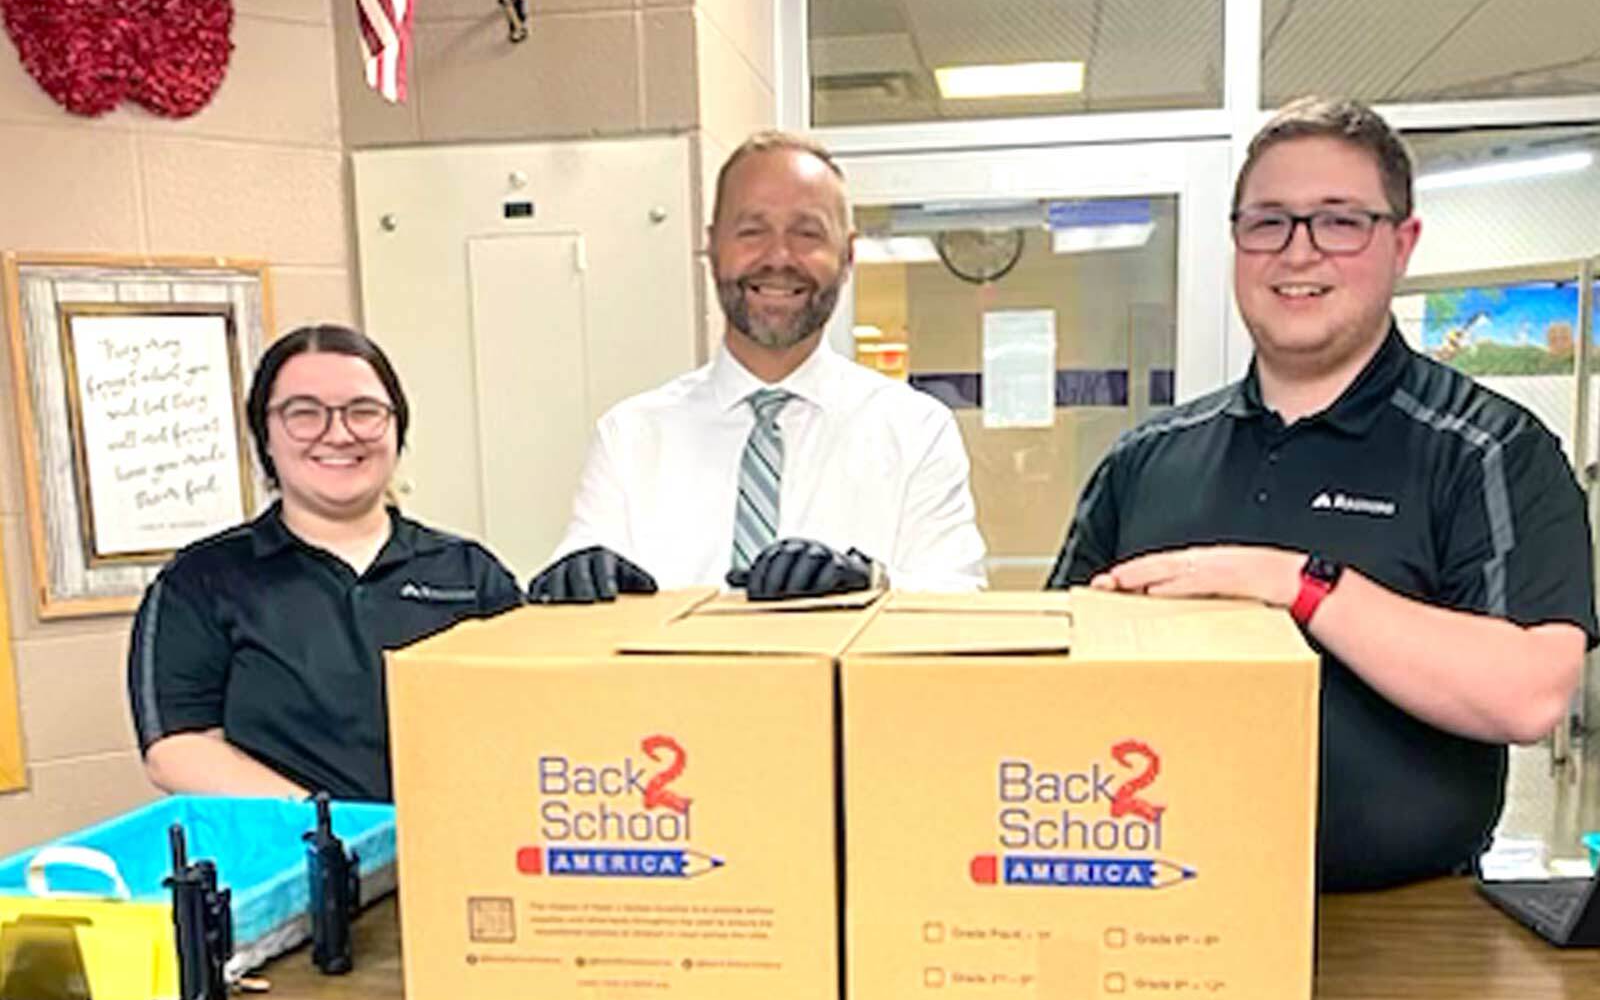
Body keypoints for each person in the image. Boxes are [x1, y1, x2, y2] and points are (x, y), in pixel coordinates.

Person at [1047, 97, 1597, 891]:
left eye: (1340, 221)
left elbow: (1530, 692)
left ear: (1402, 243)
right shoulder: (1143, 459)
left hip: (1406, 916)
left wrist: (1298, 584)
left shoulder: (1491, 449)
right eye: (1268, 222)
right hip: (1161, 901)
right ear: (1237, 241)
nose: (1297, 253)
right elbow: (1052, 676)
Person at [529, 130, 986, 602]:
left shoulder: (916, 431)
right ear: (712, 248)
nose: (778, 257)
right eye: (751, 231)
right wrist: (573, 589)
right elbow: (579, 618)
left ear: (847, 255)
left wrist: (871, 584)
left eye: (807, 233)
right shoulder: (629, 438)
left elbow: (956, 603)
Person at [127, 325, 523, 801]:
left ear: (397, 428)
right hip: (292, 862)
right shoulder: (201, 581)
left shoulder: (467, 572)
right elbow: (176, 748)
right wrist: (333, 828)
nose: (338, 434)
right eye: (304, 414)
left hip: (459, 855)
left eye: (364, 412)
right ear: (266, 437)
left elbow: (526, 715)